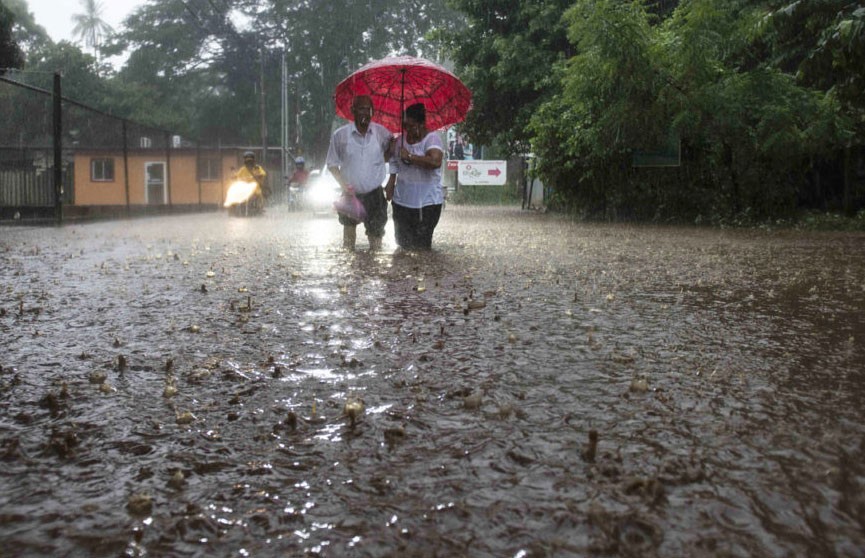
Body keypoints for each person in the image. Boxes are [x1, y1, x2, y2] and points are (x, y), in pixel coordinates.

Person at [326, 95, 395, 250]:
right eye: (361, 109)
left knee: (376, 240)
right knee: (348, 242)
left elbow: (391, 156)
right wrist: (344, 186)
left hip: (375, 195)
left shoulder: (382, 133)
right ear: (353, 111)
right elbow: (331, 164)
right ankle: (351, 273)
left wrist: (391, 150)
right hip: (351, 194)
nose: (365, 113)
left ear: (372, 112)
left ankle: (372, 272)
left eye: (368, 109)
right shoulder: (340, 135)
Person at [385, 103, 445, 250]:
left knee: (422, 247)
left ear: (422, 123)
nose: (408, 130)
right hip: (402, 201)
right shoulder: (400, 140)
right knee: (402, 245)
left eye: (412, 126)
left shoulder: (432, 139)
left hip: (427, 203)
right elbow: (392, 161)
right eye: (405, 126)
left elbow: (435, 161)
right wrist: (391, 182)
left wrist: (411, 156)